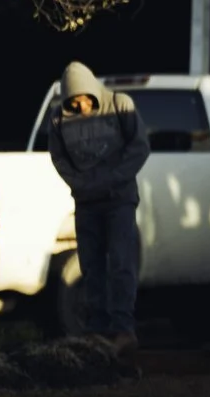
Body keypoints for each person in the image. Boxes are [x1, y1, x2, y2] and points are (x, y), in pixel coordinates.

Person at [44, 61, 149, 356]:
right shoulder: (58, 118)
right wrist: (81, 184)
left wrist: (112, 180)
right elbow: (58, 157)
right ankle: (97, 329)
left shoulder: (119, 105)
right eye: (73, 101)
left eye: (83, 99)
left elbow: (140, 147)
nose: (79, 105)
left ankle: (123, 329)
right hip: (86, 202)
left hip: (119, 200)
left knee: (120, 262)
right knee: (90, 265)